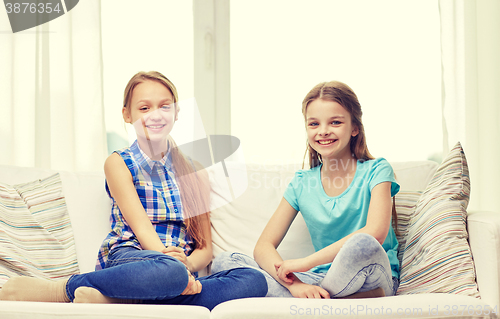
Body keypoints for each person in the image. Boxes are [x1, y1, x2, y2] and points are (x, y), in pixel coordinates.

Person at [0, 71, 267, 310]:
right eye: (144, 107)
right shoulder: (119, 163)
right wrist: (172, 265)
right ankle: (63, 289)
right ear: (128, 115)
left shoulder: (194, 169)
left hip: (178, 269)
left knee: (253, 279)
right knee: (169, 272)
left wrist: (186, 266)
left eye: (165, 106)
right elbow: (142, 228)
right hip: (131, 257)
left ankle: (122, 297)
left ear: (176, 113)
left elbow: (205, 250)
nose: (155, 114)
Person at [212, 81, 400, 299]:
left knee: (362, 244)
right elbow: (263, 246)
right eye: (314, 124)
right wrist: (296, 285)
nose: (323, 131)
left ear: (355, 128)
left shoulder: (377, 169)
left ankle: (326, 298)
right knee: (225, 262)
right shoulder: (302, 183)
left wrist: (305, 263)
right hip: (321, 279)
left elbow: (375, 232)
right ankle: (322, 298)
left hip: (372, 274)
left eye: (335, 122)